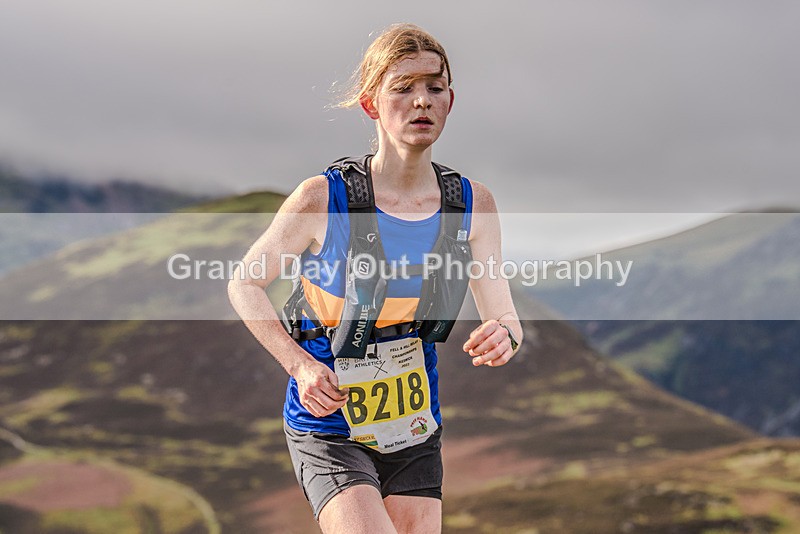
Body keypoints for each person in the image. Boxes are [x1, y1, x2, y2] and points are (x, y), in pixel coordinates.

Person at [228, 23, 523, 534]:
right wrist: (299, 366)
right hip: (328, 419)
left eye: (434, 87)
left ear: (451, 100)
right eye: (402, 88)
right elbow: (243, 285)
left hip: (413, 421)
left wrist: (505, 335)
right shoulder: (323, 199)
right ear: (371, 105)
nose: (421, 102)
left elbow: (505, 315)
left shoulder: (474, 204)